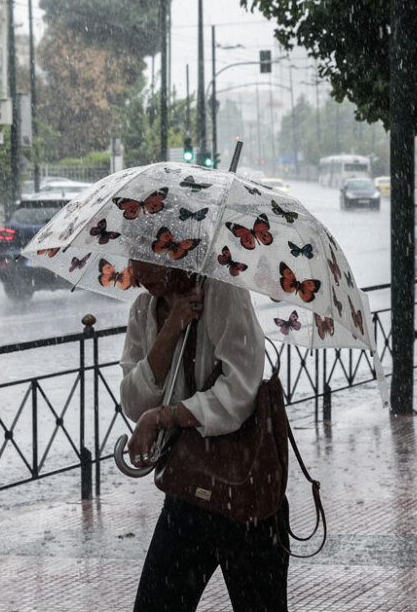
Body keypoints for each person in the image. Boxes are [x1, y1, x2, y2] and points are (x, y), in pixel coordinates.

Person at [120, 258, 288, 612]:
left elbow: (239, 391)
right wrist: (171, 330)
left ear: (173, 251)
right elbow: (134, 402)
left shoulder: (222, 291)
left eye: (146, 258)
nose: (137, 271)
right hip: (188, 487)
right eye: (132, 258)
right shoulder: (142, 311)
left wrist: (164, 417)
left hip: (246, 491)